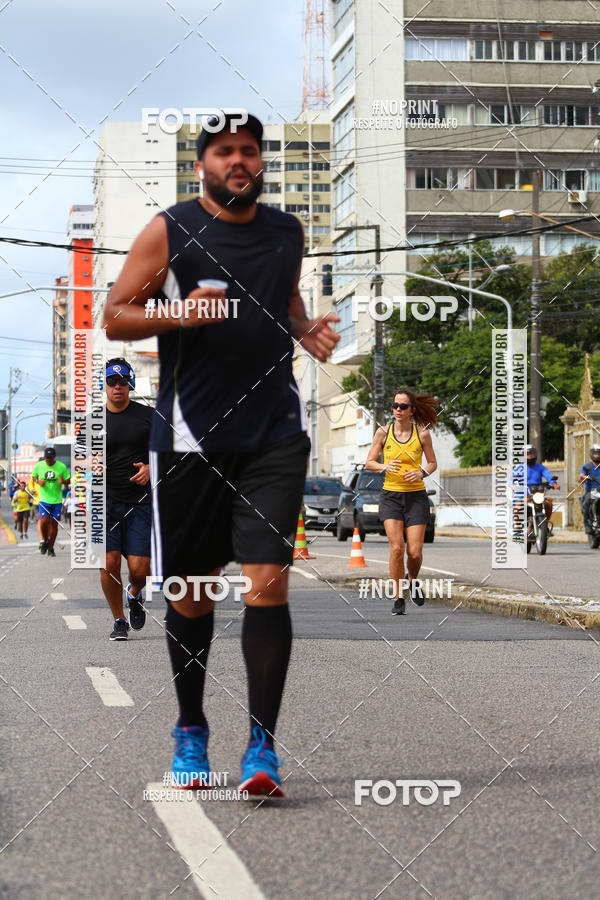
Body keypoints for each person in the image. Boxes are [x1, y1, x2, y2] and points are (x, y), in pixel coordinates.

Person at [102, 111, 340, 798]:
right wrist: (179, 315)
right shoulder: (170, 229)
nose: (239, 161)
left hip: (273, 434)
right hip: (189, 439)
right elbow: (115, 314)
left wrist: (304, 329)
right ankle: (190, 728)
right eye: (224, 151)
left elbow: (284, 300)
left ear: (260, 161)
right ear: (202, 163)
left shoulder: (286, 231)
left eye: (249, 151)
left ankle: (262, 749)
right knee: (195, 593)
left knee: (268, 582)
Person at [365, 389, 438, 615]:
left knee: (414, 553)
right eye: (395, 405)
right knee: (397, 549)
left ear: (412, 410)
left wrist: (421, 473)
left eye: (403, 406)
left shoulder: (423, 434)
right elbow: (369, 462)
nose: (398, 410)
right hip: (391, 496)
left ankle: (412, 580)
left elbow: (432, 463)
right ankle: (398, 597)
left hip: (416, 497)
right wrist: (384, 466)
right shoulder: (383, 433)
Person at [98, 357, 153, 641]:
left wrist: (151, 468)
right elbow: (79, 459)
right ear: (104, 384)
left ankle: (134, 593)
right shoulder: (93, 421)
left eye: (122, 381)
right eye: (112, 381)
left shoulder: (148, 416)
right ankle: (119, 620)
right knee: (109, 563)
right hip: (104, 504)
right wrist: (89, 464)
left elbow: (168, 453)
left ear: (130, 383)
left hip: (140, 503)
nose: (117, 386)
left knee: (139, 569)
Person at [32, 447, 70, 557]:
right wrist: (39, 482)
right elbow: (34, 477)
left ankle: (51, 546)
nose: (48, 460)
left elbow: (69, 479)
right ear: (44, 457)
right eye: (47, 458)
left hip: (57, 500)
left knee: (54, 525)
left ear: (54, 457)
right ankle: (44, 541)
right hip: (44, 499)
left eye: (50, 458)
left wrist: (63, 481)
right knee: (43, 521)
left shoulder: (61, 466)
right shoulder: (39, 465)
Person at [525, 444, 559, 529]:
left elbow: (548, 475)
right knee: (518, 506)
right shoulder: (519, 468)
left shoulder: (540, 467)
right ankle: (518, 529)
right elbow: (512, 479)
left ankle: (545, 525)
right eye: (528, 454)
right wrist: (513, 485)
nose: (530, 456)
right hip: (525, 494)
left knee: (549, 504)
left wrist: (554, 484)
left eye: (532, 454)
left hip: (537, 493)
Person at [578, 444, 600, 533]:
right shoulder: (587, 466)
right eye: (595, 454)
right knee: (586, 503)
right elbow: (581, 476)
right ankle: (587, 524)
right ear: (591, 454)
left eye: (599, 453)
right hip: (592, 491)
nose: (597, 455)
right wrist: (584, 477)